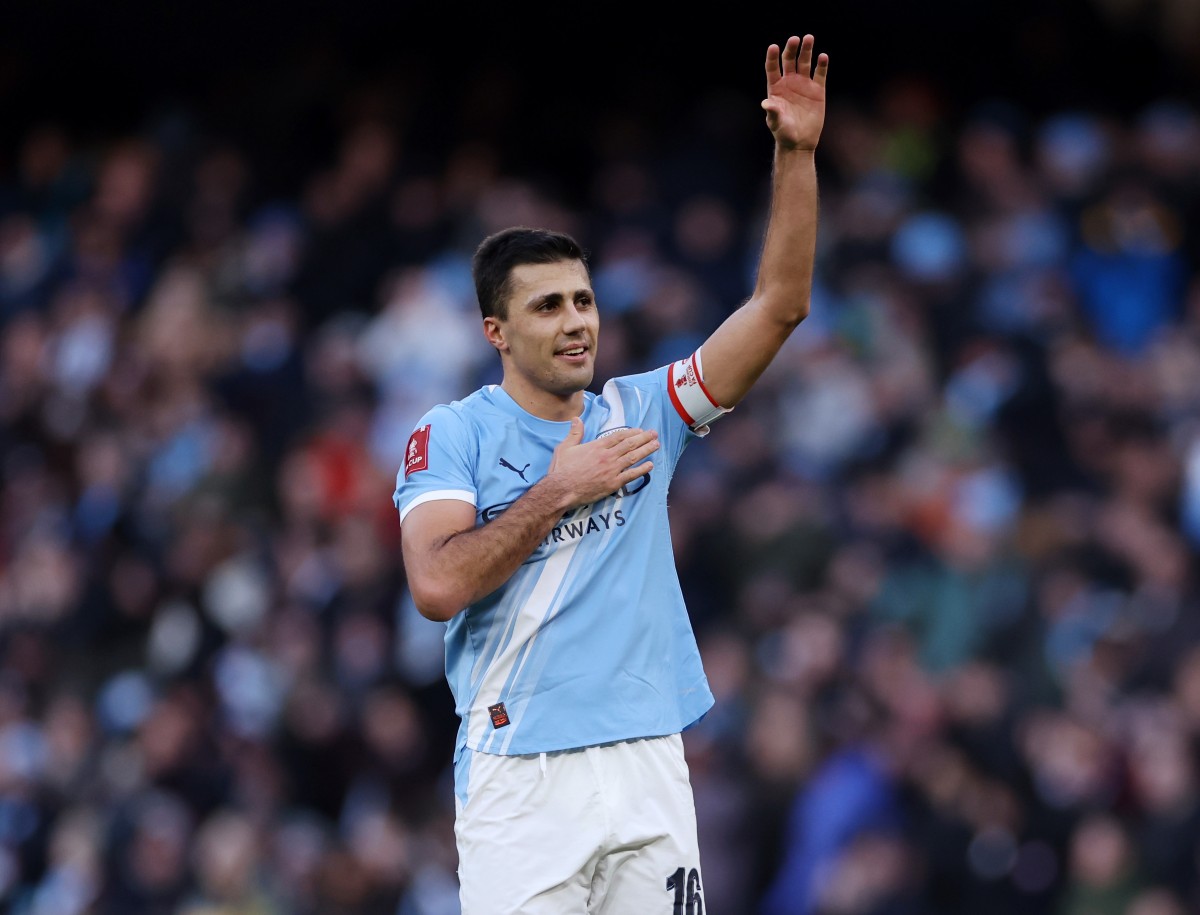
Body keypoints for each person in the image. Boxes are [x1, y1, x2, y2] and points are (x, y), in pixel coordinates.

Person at [393, 32, 829, 914]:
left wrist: (795, 157)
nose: (575, 322)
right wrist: (562, 488)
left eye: (584, 301)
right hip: (522, 775)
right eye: (547, 306)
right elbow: (436, 585)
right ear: (496, 332)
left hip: (647, 760)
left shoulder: (643, 410)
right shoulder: (452, 434)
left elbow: (780, 306)